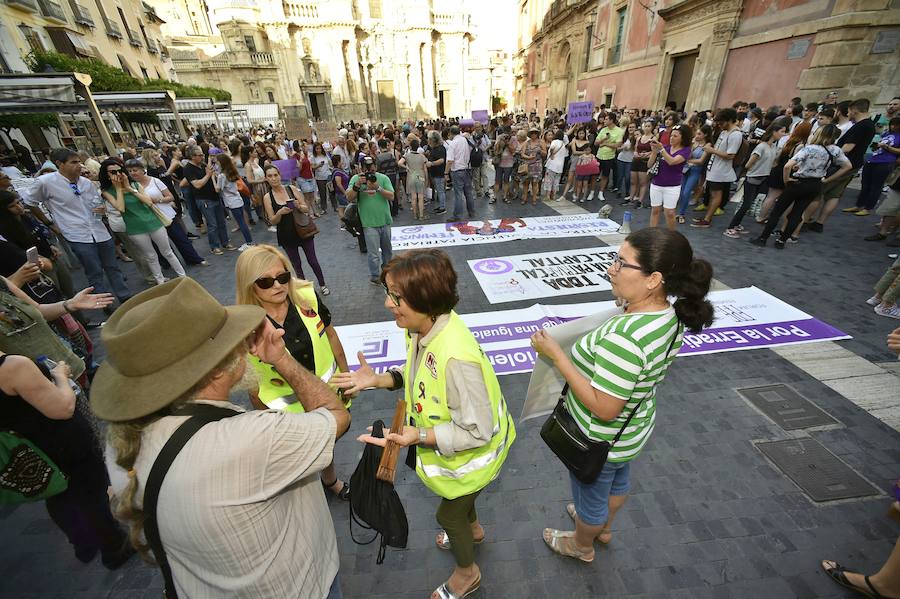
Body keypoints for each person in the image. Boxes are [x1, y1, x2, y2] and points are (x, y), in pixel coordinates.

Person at [92, 277, 350, 598]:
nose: (242, 342)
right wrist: (282, 359)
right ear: (216, 368)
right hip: (298, 588)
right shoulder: (252, 437)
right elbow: (336, 417)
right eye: (232, 337)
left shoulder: (120, 443)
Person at [333, 249, 516, 599]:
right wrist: (379, 380)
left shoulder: (456, 358)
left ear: (425, 299)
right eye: (389, 292)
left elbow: (477, 431)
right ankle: (473, 530)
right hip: (458, 459)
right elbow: (414, 372)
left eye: (396, 296)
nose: (388, 303)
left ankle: (467, 573)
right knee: (461, 504)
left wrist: (419, 435)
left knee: (449, 516)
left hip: (474, 458)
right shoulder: (423, 325)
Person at [531, 227, 713, 563]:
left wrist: (557, 355)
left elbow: (604, 408)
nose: (610, 269)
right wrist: (629, 302)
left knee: (591, 495)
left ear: (653, 279)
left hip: (598, 439)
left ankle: (582, 544)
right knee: (616, 483)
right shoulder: (670, 315)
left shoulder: (626, 339)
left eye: (621, 263)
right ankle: (605, 527)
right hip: (633, 431)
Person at [235, 245, 353, 498]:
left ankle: (330, 480)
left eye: (283, 277)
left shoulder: (306, 295)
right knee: (299, 461)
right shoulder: (244, 325)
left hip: (328, 397)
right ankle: (311, 492)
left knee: (327, 443)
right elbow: (253, 383)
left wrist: (347, 375)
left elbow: (330, 335)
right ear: (249, 285)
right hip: (286, 415)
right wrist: (265, 418)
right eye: (265, 282)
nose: (277, 286)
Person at [25, 149, 131, 305]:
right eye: (74, 162)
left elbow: (95, 204)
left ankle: (125, 297)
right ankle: (103, 303)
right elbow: (29, 202)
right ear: (60, 164)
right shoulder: (46, 182)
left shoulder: (86, 183)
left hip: (99, 231)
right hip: (77, 234)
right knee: (94, 272)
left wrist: (102, 210)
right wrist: (49, 223)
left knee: (113, 267)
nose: (79, 166)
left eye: (79, 162)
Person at [751, 124, 852, 249]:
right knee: (797, 213)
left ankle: (763, 238)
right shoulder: (836, 150)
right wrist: (828, 179)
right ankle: (782, 241)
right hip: (815, 184)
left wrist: (787, 179)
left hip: (798, 182)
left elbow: (788, 166)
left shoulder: (810, 148)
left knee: (777, 211)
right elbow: (848, 166)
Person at [100, 160, 186, 285]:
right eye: (113, 172)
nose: (118, 174)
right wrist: (119, 189)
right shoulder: (107, 191)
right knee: (150, 256)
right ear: (106, 174)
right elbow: (120, 208)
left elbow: (148, 202)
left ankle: (183, 276)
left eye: (120, 170)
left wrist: (128, 188)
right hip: (135, 227)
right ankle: (160, 282)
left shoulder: (134, 185)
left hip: (153, 221)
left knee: (167, 252)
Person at [125, 159, 207, 267]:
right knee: (158, 244)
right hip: (149, 219)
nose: (132, 173)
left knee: (180, 238)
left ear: (142, 170)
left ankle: (193, 259)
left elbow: (170, 197)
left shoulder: (155, 181)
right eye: (129, 171)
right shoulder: (131, 186)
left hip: (166, 214)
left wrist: (158, 200)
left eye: (135, 170)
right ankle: (168, 264)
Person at [262, 164, 329, 296]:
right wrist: (280, 212)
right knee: (296, 265)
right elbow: (273, 220)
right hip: (287, 235)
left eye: (275, 175)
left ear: (280, 175)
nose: (274, 178)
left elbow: (306, 208)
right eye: (270, 176)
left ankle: (322, 284)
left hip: (303, 231)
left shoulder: (291, 189)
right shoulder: (267, 197)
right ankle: (305, 290)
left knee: (313, 260)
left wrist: (298, 205)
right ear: (266, 179)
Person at [812, 99, 877, 225]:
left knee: (817, 192)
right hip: (853, 164)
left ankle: (804, 219)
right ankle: (819, 223)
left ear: (854, 110)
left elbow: (847, 148)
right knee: (834, 195)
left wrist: (829, 158)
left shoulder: (860, 126)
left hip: (842, 164)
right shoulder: (869, 125)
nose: (848, 113)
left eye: (849, 111)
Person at [724, 120, 787, 238]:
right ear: (774, 132)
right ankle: (730, 227)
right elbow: (749, 164)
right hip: (753, 178)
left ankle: (736, 225)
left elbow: (773, 163)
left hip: (762, 178)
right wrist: (757, 169)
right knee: (746, 204)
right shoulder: (762, 146)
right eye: (782, 131)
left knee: (749, 203)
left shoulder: (773, 147)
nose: (783, 134)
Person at [346, 157, 394, 285]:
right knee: (373, 254)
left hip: (384, 220)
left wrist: (378, 188)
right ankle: (375, 275)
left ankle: (387, 272)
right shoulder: (356, 179)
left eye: (372, 168)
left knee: (387, 251)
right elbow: (349, 198)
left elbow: (392, 196)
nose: (370, 172)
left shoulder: (383, 178)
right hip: (368, 223)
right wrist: (357, 186)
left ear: (376, 167)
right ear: (361, 168)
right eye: (367, 169)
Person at [693, 108, 743, 228]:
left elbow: (730, 155)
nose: (720, 125)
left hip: (720, 170)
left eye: (721, 122)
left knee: (716, 195)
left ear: (729, 120)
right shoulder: (724, 132)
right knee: (711, 193)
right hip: (714, 167)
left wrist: (712, 150)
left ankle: (707, 219)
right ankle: (707, 216)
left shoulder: (735, 135)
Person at [184, 145, 234, 255]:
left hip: (214, 197)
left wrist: (215, 176)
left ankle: (225, 242)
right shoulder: (188, 169)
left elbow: (212, 176)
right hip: (204, 199)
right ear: (192, 157)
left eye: (203, 155)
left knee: (221, 222)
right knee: (212, 225)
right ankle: (214, 246)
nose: (202, 157)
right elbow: (197, 185)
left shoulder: (202, 165)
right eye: (200, 155)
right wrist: (208, 175)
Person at [851, 117, 900, 214]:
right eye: (892, 124)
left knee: (876, 186)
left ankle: (868, 208)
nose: (893, 126)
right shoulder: (887, 133)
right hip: (873, 159)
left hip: (886, 162)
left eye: (896, 125)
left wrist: (887, 147)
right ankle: (858, 205)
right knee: (865, 184)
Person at [648, 124, 692, 230]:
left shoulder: (685, 150)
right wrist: (654, 152)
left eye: (675, 136)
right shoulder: (666, 148)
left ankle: (672, 235)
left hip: (672, 186)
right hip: (657, 183)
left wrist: (661, 150)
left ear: (683, 138)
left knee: (670, 212)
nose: (672, 138)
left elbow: (672, 161)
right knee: (655, 210)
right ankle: (651, 233)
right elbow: (649, 165)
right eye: (671, 135)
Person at [214, 154, 254, 251]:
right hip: (237, 198)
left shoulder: (222, 175)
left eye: (217, 161)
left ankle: (249, 242)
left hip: (231, 201)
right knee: (242, 221)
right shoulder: (232, 171)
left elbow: (218, 189)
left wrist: (212, 178)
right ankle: (250, 241)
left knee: (241, 222)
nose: (216, 163)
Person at [675, 125, 711, 224]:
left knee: (687, 192)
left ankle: (682, 214)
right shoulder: (692, 143)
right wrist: (691, 147)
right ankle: (679, 211)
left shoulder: (707, 145)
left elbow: (701, 161)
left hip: (695, 170)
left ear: (705, 135)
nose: (697, 135)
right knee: (682, 191)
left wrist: (688, 160)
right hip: (686, 169)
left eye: (699, 134)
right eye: (696, 133)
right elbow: (686, 154)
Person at [446, 123, 476, 221]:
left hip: (457, 170)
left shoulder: (452, 144)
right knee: (468, 192)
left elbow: (450, 160)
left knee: (458, 194)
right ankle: (471, 212)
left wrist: (446, 173)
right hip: (467, 168)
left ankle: (457, 215)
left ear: (451, 133)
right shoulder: (464, 140)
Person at [400, 138, 429, 220]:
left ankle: (415, 215)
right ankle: (421, 216)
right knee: (420, 197)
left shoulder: (407, 155)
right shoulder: (422, 156)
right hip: (420, 177)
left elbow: (399, 163)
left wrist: (406, 167)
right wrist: (426, 180)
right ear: (418, 146)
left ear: (410, 146)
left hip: (411, 176)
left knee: (413, 197)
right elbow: (425, 169)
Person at [425, 130, 448, 215]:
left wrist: (431, 163)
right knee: (439, 190)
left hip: (439, 173)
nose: (428, 141)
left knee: (440, 191)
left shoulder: (440, 148)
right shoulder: (435, 148)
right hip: (436, 173)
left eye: (429, 139)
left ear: (433, 140)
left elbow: (441, 160)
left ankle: (443, 207)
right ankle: (441, 206)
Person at [544, 129, 567, 202]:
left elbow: (552, 148)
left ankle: (547, 196)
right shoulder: (563, 144)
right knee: (556, 181)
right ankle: (553, 196)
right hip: (560, 166)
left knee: (549, 180)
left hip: (552, 164)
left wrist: (552, 153)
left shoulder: (554, 142)